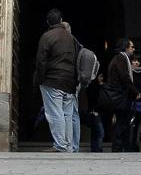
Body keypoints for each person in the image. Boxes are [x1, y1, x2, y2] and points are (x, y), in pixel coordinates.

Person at [34, 8, 79, 152]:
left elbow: (41, 61)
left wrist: (40, 79)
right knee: (67, 114)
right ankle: (69, 146)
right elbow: (77, 59)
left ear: (48, 22)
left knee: (55, 113)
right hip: (69, 81)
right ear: (61, 21)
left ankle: (60, 145)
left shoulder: (47, 37)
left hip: (52, 80)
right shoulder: (71, 38)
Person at [103, 38, 141, 152]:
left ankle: (124, 147)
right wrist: (136, 91)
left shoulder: (122, 58)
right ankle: (118, 148)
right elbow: (125, 77)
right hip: (120, 96)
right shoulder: (121, 58)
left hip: (121, 95)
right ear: (125, 47)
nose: (133, 49)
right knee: (122, 122)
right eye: (131, 47)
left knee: (124, 122)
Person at [81, 73, 106, 152]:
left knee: (96, 131)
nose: (102, 78)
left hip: (101, 112)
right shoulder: (93, 87)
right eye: (100, 76)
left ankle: (95, 148)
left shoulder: (103, 86)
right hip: (94, 112)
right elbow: (93, 98)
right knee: (99, 132)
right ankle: (97, 148)